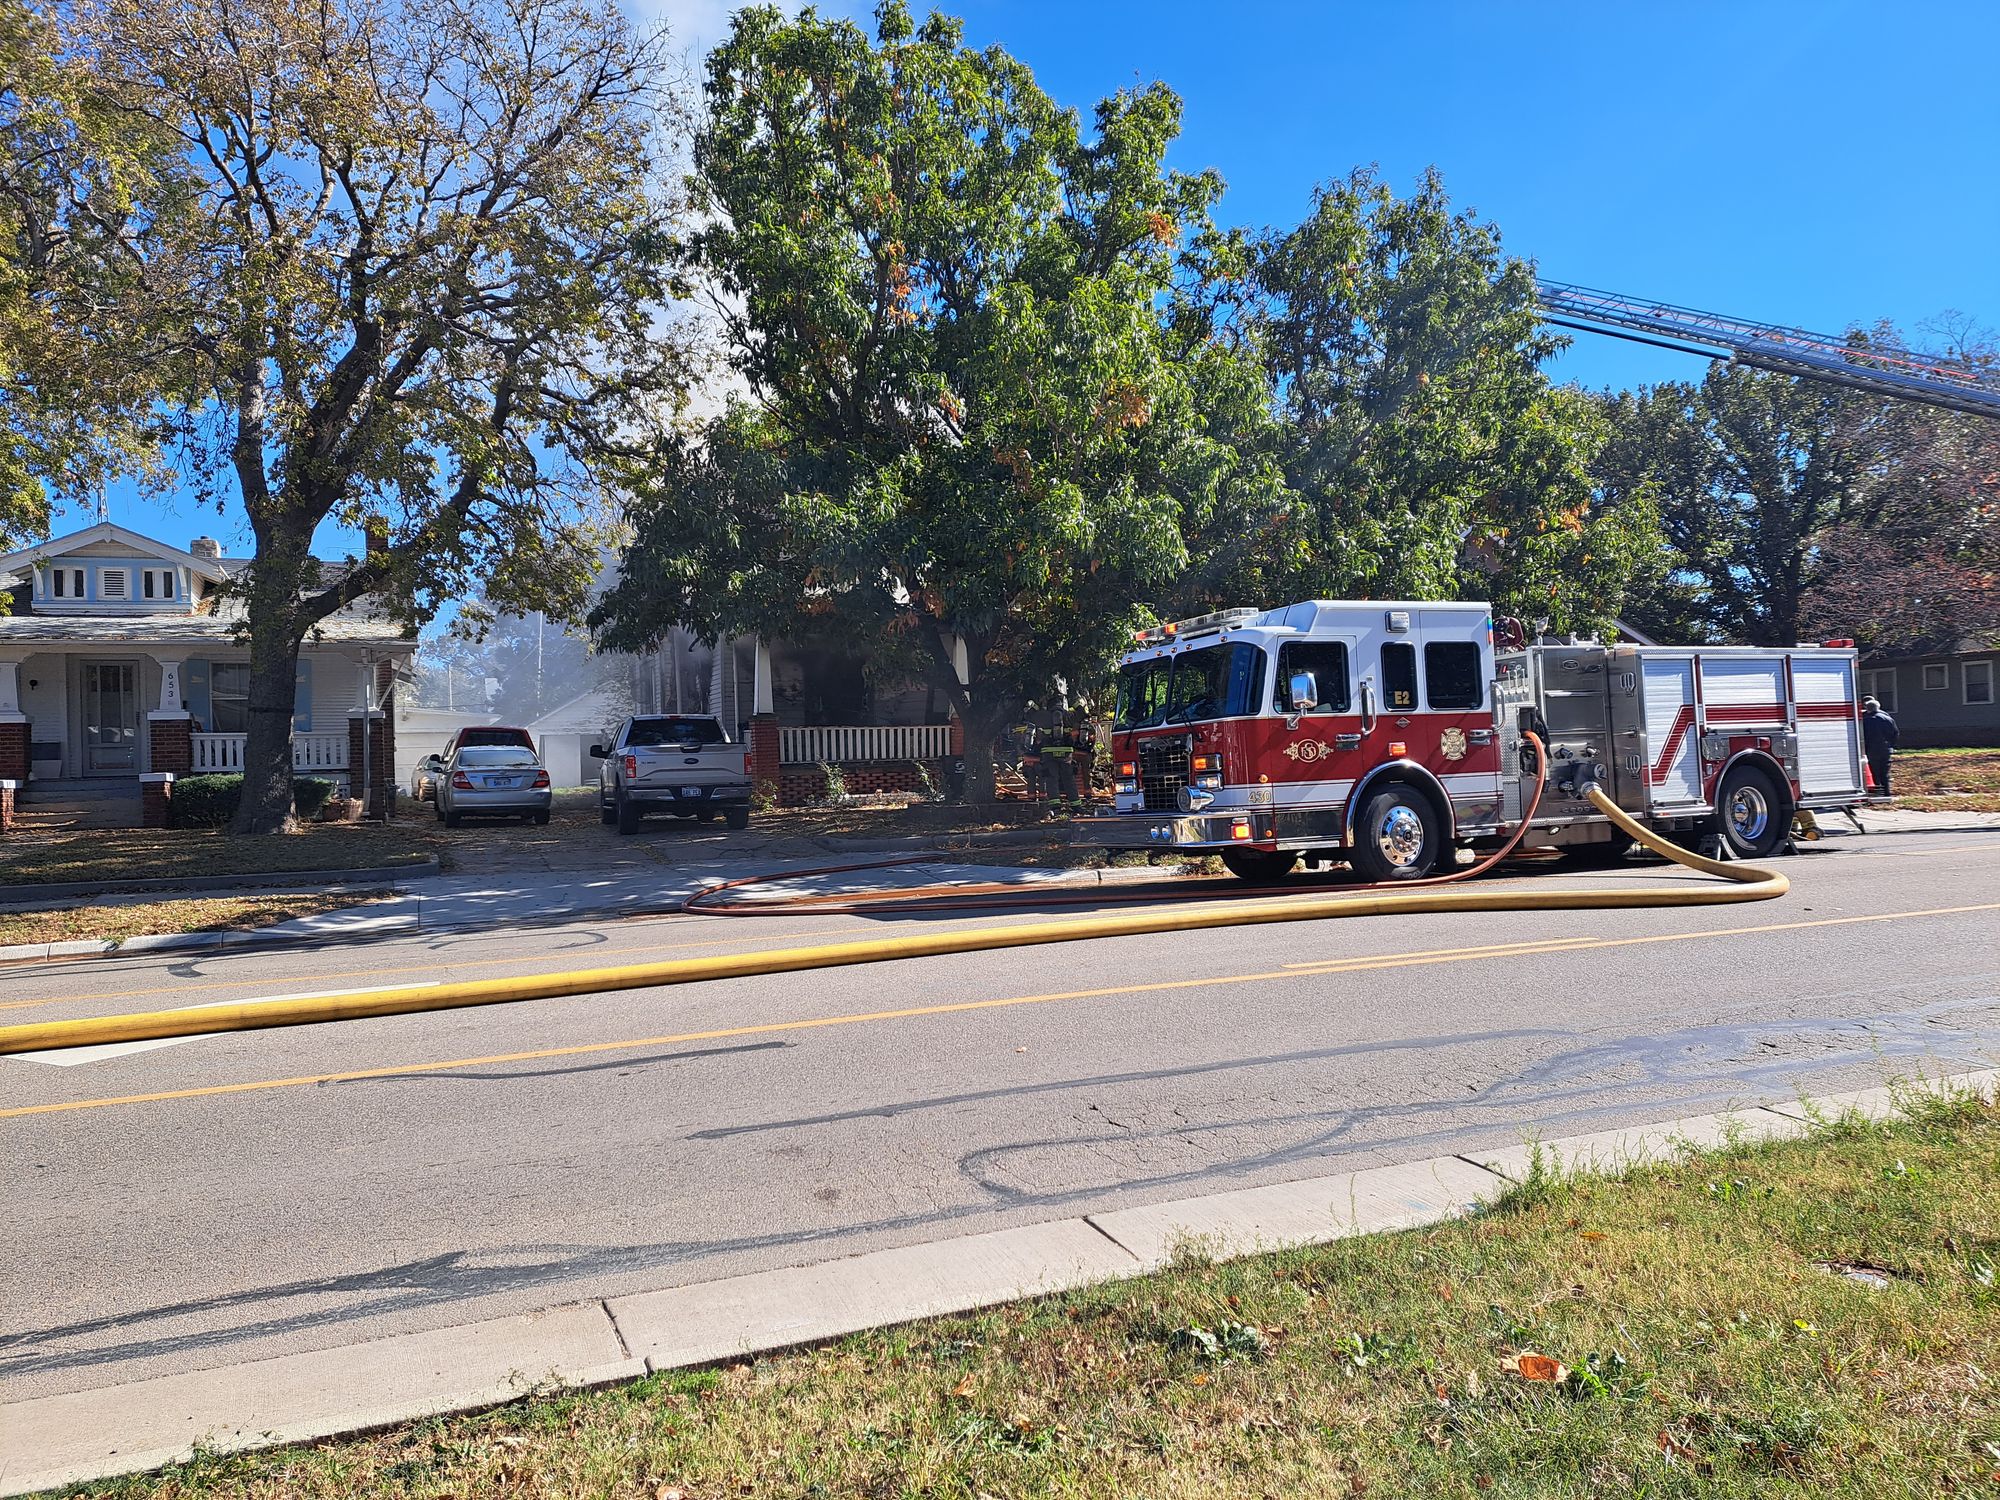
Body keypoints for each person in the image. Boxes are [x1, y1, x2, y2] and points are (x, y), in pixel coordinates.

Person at [1861, 695, 1898, 797]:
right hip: (1886, 749)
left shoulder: (1865, 720)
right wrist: (1890, 745)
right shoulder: (1888, 718)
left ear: (1867, 709)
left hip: (1872, 750)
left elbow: (1864, 736)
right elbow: (1895, 733)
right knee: (1885, 773)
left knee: (1875, 772)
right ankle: (1887, 793)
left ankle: (1878, 794)